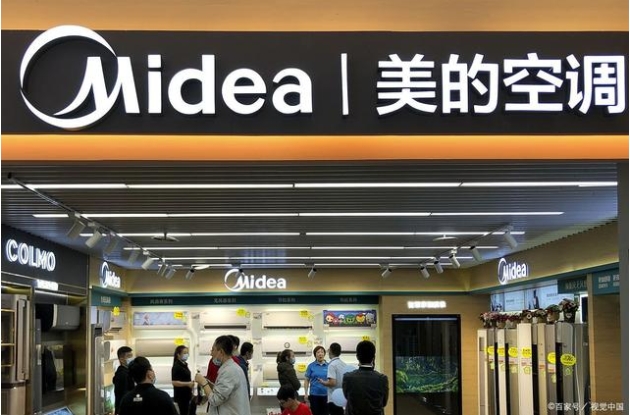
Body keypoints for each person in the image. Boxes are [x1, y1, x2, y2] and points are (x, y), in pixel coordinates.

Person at [194, 335, 250, 415]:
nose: (211, 354)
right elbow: (223, 391)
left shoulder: (230, 371)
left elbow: (215, 400)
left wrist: (203, 383)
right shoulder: (229, 369)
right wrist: (210, 384)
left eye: (213, 350)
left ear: (221, 352)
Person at [342, 341, 389, 415]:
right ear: (373, 357)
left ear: (357, 356)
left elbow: (347, 397)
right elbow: (384, 403)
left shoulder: (347, 377)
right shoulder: (382, 379)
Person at [318, 343, 347, 415]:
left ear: (330, 351)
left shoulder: (332, 365)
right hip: (342, 397)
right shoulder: (343, 364)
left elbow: (332, 383)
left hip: (333, 398)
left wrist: (323, 382)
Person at [304, 346, 328, 415]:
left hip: (326, 395)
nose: (320, 354)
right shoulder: (311, 366)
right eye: (318, 352)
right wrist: (306, 393)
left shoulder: (329, 366)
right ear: (315, 354)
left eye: (322, 352)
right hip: (314, 395)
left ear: (324, 354)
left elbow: (331, 380)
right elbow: (306, 380)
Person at [171, 345, 194, 415]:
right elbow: (174, 382)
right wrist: (188, 384)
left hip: (187, 395)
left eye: (187, 353)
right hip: (181, 397)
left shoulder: (184, 365)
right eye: (184, 353)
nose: (186, 355)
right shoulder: (176, 366)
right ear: (178, 354)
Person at [112, 346, 135, 415]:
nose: (132, 359)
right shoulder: (122, 374)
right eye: (129, 356)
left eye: (132, 356)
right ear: (121, 360)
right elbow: (124, 395)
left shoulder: (128, 372)